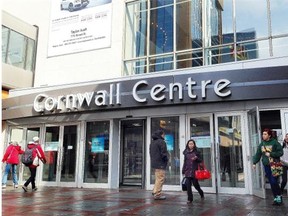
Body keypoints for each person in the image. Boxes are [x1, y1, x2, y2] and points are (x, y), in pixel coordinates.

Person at [253, 128, 283, 205]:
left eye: (265, 134)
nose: (263, 135)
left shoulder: (275, 142)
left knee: (274, 181)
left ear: (269, 135)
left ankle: (279, 196)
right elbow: (258, 154)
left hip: (275, 165)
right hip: (266, 166)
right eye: (263, 134)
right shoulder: (261, 144)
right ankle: (276, 197)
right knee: (272, 182)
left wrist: (271, 154)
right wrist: (254, 163)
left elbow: (280, 152)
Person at [182, 139, 204, 203]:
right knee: (188, 186)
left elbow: (200, 160)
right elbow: (185, 162)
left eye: (192, 144)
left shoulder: (197, 152)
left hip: (194, 171)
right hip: (188, 171)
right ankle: (190, 199)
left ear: (194, 145)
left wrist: (196, 158)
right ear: (187, 145)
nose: (191, 145)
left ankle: (201, 193)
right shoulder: (186, 152)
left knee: (196, 185)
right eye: (189, 144)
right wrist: (183, 170)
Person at [149, 129, 169, 200]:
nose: (164, 136)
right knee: (160, 178)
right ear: (161, 134)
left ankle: (154, 191)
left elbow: (150, 153)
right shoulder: (161, 142)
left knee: (157, 178)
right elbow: (163, 153)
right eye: (163, 134)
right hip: (160, 163)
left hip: (155, 163)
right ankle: (157, 194)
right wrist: (166, 160)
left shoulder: (152, 142)